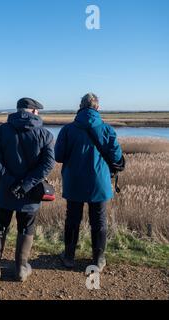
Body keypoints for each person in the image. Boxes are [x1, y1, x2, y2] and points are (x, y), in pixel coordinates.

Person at [0, 98, 55, 282]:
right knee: (26, 227)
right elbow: (48, 164)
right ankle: (20, 269)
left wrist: (11, 183)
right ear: (34, 112)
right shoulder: (45, 134)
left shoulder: (3, 130)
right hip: (31, 194)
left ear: (19, 110)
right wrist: (26, 184)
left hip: (6, 191)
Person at [55, 93, 124, 272]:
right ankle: (98, 259)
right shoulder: (107, 130)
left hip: (74, 181)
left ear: (80, 106)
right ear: (97, 108)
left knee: (72, 219)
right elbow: (117, 157)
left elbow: (58, 156)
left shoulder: (67, 130)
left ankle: (69, 257)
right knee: (99, 221)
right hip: (99, 183)